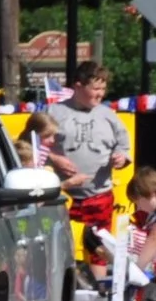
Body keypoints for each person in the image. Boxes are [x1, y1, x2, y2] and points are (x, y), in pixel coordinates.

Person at [44, 61, 132, 247]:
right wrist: (54, 157)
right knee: (61, 248)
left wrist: (121, 157)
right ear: (78, 86)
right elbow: (31, 145)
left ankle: (97, 278)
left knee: (98, 249)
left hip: (99, 196)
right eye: (95, 88)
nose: (100, 94)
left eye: (103, 89)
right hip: (61, 196)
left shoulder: (108, 115)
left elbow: (124, 145)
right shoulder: (54, 112)